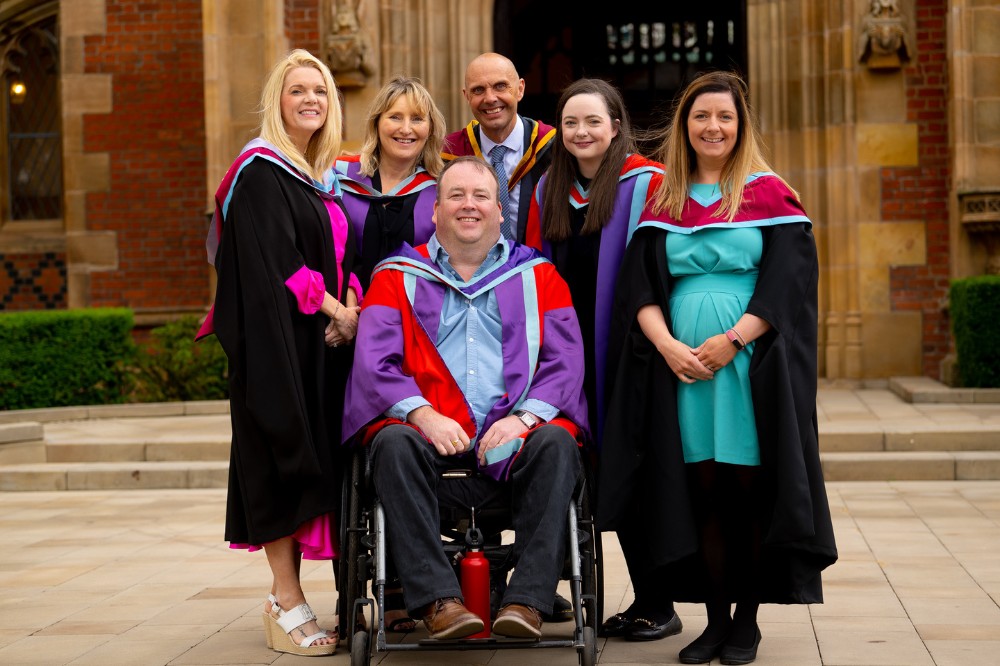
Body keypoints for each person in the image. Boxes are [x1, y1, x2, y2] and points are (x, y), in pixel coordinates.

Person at [598, 71, 838, 665]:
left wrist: (733, 339)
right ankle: (714, 621)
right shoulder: (663, 200)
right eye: (701, 116)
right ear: (686, 125)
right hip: (679, 368)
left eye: (724, 118)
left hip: (747, 364)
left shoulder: (768, 194)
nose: (713, 127)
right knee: (699, 489)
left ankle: (748, 623)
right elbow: (639, 291)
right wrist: (669, 348)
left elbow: (789, 285)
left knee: (746, 489)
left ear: (740, 125)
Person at [342, 156, 589, 640]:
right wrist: (424, 415)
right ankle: (439, 603)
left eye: (481, 196)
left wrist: (522, 420)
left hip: (512, 443)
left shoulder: (538, 276)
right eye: (455, 195)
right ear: (434, 211)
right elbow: (375, 363)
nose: (468, 205)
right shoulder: (395, 277)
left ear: (501, 211)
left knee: (557, 446)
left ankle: (528, 602)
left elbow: (566, 362)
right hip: (428, 446)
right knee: (391, 445)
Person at [196, 49, 361, 657]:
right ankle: (284, 598)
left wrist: (353, 304)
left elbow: (338, 255)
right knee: (278, 455)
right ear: (277, 100)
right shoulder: (260, 170)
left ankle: (294, 596)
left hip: (321, 345)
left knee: (316, 460)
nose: (311, 99)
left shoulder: (317, 176)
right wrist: (337, 312)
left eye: (320, 90)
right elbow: (280, 264)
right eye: (297, 90)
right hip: (277, 347)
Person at [523, 78, 681, 641]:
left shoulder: (650, 184)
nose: (582, 132)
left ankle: (657, 601)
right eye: (570, 123)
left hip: (635, 354)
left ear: (616, 125)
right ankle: (555, 591)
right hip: (570, 358)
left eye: (593, 121)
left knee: (639, 472)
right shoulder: (547, 191)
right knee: (588, 473)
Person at [335, 76, 446, 290]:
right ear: (376, 123)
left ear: (430, 128)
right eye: (395, 117)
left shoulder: (441, 191)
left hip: (414, 315)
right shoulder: (339, 177)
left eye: (417, 119)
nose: (406, 129)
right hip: (344, 312)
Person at [442, 52, 555, 244]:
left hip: (541, 267)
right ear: (466, 96)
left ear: (520, 89)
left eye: (500, 86)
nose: (490, 98)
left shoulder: (555, 149)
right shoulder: (449, 153)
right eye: (478, 90)